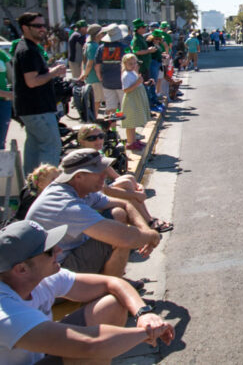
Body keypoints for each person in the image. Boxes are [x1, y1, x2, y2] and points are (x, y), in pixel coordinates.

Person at [0, 220, 175, 364]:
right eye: (48, 251)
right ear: (21, 269)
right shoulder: (5, 311)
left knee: (112, 304)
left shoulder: (41, 276)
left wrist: (143, 314)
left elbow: (112, 283)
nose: (58, 250)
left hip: (40, 356)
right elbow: (89, 344)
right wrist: (148, 332)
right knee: (87, 352)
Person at [25, 148, 161, 277]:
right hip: (53, 273)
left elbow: (125, 204)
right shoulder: (65, 203)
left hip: (69, 255)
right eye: (98, 172)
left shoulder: (78, 188)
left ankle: (112, 281)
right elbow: (124, 237)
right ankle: (109, 292)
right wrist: (151, 237)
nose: (104, 175)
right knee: (120, 238)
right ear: (78, 176)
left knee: (118, 213)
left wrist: (146, 230)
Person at [76, 124, 173, 232]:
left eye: (101, 136)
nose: (98, 140)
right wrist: (135, 194)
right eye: (92, 138)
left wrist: (136, 185)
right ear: (82, 141)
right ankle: (148, 221)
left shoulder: (97, 153)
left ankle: (147, 218)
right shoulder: (85, 160)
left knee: (128, 179)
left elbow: (114, 174)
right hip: (94, 198)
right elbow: (104, 190)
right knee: (128, 190)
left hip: (101, 191)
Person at [12, 12, 67, 175]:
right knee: (51, 147)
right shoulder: (28, 50)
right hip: (38, 110)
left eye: (44, 25)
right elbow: (32, 81)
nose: (42, 29)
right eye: (37, 26)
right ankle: (46, 189)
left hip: (32, 110)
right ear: (25, 28)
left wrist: (50, 72)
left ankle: (32, 191)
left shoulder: (28, 48)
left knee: (34, 150)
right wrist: (53, 72)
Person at [95, 23, 131, 116]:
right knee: (124, 105)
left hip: (107, 80)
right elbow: (131, 63)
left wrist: (100, 78)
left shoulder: (101, 48)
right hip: (122, 81)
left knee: (110, 106)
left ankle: (112, 127)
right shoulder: (124, 47)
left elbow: (97, 65)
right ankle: (125, 125)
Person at [120, 54, 151, 151]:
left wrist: (143, 81)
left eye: (134, 63)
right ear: (125, 64)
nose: (133, 65)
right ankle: (130, 142)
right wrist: (138, 83)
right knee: (130, 123)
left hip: (136, 98)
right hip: (131, 100)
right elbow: (126, 90)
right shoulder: (126, 75)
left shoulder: (132, 72)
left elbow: (137, 82)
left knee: (134, 122)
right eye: (130, 64)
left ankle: (133, 140)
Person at [79, 24, 105, 118]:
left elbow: (83, 61)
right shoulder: (94, 46)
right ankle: (94, 120)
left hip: (89, 76)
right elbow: (90, 63)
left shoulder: (87, 44)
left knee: (94, 101)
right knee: (96, 102)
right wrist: (85, 73)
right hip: (94, 77)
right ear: (98, 34)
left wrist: (83, 73)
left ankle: (93, 119)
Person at [0, 48, 13, 149]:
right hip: (5, 97)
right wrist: (7, 94)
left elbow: (12, 78)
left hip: (4, 103)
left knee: (1, 142)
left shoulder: (2, 54)